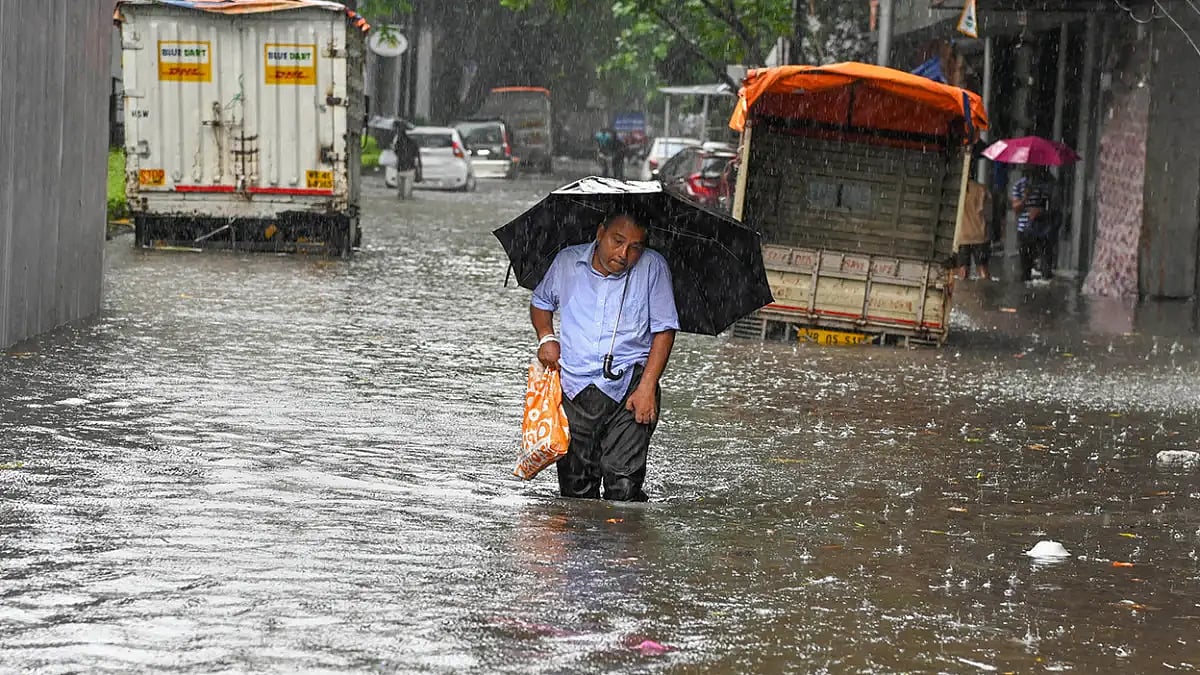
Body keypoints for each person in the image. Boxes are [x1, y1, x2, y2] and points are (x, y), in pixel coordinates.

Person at [530, 213, 679, 502]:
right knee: (576, 494)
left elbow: (664, 330)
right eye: (618, 241)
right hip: (574, 388)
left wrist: (647, 386)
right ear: (600, 233)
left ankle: (623, 543)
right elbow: (541, 302)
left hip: (631, 388)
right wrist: (546, 337)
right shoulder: (566, 263)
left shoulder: (653, 267)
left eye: (635, 247)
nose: (624, 254)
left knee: (622, 488)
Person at [1010, 166, 1055, 281]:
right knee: (1025, 267)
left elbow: (1053, 208)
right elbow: (1015, 208)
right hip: (1025, 230)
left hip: (1043, 230)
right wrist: (1025, 197)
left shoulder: (1047, 184)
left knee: (1046, 266)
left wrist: (1040, 212)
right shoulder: (1019, 185)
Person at [955, 179, 993, 280]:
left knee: (963, 269)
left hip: (963, 235)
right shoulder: (982, 189)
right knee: (982, 267)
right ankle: (985, 290)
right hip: (980, 235)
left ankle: (963, 292)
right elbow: (989, 215)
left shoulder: (958, 188)